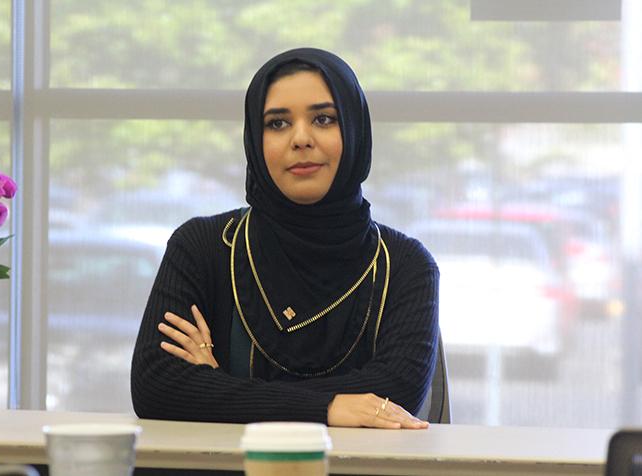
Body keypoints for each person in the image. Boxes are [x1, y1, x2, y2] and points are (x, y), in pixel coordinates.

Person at [131, 48, 439, 429]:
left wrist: (219, 389)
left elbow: (396, 393)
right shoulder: (203, 247)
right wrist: (329, 408)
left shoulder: (405, 265)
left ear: (355, 131)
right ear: (255, 141)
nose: (301, 139)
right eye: (277, 124)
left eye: (324, 119)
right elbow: (156, 386)